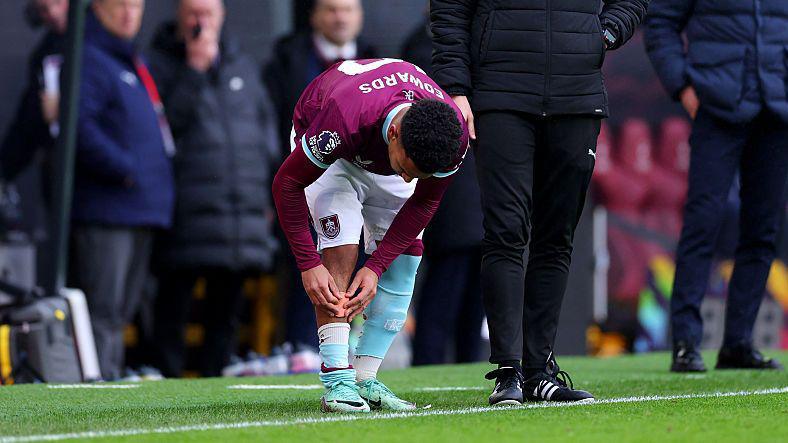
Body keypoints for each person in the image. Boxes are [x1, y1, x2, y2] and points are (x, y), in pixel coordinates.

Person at [431, 0, 648, 405]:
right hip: (500, 94)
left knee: (556, 237)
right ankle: (508, 370)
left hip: (577, 96)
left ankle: (539, 370)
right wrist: (455, 88)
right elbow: (449, 9)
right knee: (505, 232)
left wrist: (602, 35)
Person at [272, 58, 468, 413]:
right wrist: (307, 262)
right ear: (394, 135)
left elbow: (422, 203)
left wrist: (376, 266)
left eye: (418, 175)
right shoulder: (343, 117)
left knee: (406, 259)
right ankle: (337, 380)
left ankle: (365, 378)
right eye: (408, 171)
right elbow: (286, 183)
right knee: (340, 248)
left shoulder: (451, 137)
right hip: (336, 152)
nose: (409, 181)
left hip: (382, 149)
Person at [645, 0, 787, 372]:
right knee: (703, 222)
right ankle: (686, 343)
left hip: (776, 108)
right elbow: (659, 24)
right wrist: (682, 87)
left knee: (763, 231)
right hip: (717, 106)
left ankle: (738, 343)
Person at [145, 0, 280, 377]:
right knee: (174, 304)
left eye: (208, 12)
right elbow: (163, 129)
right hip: (186, 211)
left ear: (221, 16)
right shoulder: (160, 63)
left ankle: (215, 379)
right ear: (178, 17)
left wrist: (265, 194)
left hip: (240, 211)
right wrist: (193, 71)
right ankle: (166, 382)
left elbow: (265, 132)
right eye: (193, 13)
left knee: (227, 310)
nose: (200, 21)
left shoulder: (242, 64)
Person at [69, 0, 175, 381]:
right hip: (109, 209)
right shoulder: (91, 58)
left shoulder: (130, 60)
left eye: (135, 5)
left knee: (120, 311)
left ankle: (107, 379)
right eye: (119, 5)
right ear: (97, 8)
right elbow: (79, 126)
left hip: (141, 208)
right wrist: (125, 170)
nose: (129, 13)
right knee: (103, 308)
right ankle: (93, 390)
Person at [264, 0, 377, 352]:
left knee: (352, 266)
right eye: (331, 9)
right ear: (313, 16)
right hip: (302, 175)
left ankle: (352, 352)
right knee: (306, 266)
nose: (340, 17)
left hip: (361, 181)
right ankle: (299, 347)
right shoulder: (286, 60)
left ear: (360, 16)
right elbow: (267, 126)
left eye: (347, 9)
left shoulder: (375, 60)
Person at [400, 19, 485, 366]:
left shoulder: (469, 40)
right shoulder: (426, 45)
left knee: (474, 300)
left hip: (476, 194)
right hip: (451, 194)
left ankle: (469, 366)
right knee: (443, 294)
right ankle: (427, 366)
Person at [0, 0, 69, 198]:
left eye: (57, 3)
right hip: (59, 166)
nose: (54, 14)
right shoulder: (44, 56)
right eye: (44, 10)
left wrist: (64, 108)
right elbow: (28, 121)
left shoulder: (101, 43)